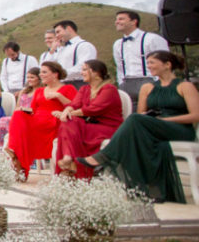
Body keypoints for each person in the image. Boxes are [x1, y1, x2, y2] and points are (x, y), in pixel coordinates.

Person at [61, 52, 197, 202]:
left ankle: (104, 157)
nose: (149, 66)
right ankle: (143, 187)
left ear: (167, 65)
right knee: (135, 121)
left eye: (152, 62)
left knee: (135, 121)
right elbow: (140, 115)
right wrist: (152, 119)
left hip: (178, 129)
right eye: (148, 63)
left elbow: (195, 116)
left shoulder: (185, 86)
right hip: (152, 127)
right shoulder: (147, 87)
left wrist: (164, 120)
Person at [53, 60, 124, 180]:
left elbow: (93, 109)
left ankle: (70, 161)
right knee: (69, 122)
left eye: (85, 70)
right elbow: (74, 104)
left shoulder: (109, 89)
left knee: (69, 121)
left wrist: (68, 114)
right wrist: (67, 111)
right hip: (89, 125)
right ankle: (68, 158)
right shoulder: (84, 89)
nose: (82, 73)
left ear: (96, 73)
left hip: (107, 127)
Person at [4, 62, 76, 179]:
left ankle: (17, 158)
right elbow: (33, 110)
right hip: (37, 119)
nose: (41, 75)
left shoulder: (68, 88)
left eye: (44, 72)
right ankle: (15, 153)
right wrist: (24, 109)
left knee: (23, 128)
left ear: (55, 74)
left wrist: (59, 96)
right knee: (18, 114)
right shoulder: (40, 90)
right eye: (41, 72)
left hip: (55, 120)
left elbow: (75, 106)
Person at [112, 10, 169, 108]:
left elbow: (165, 62)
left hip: (148, 80)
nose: (117, 22)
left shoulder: (152, 39)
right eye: (116, 19)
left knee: (153, 114)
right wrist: (121, 83)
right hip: (127, 83)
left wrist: (158, 83)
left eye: (121, 19)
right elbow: (120, 67)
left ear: (134, 21)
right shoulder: (118, 44)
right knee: (130, 116)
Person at [0, 67, 41, 150]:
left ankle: (16, 148)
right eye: (28, 77)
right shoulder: (24, 91)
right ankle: (2, 149)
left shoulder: (42, 92)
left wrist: (23, 109)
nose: (29, 80)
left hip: (33, 116)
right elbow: (17, 107)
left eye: (32, 77)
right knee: (3, 120)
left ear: (39, 78)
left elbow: (40, 110)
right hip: (20, 115)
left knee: (9, 121)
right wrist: (19, 111)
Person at [54, 20, 97, 88]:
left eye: (58, 32)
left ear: (69, 29)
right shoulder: (62, 49)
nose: (56, 36)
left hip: (79, 84)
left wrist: (60, 74)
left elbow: (82, 68)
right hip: (62, 84)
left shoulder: (85, 46)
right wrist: (55, 49)